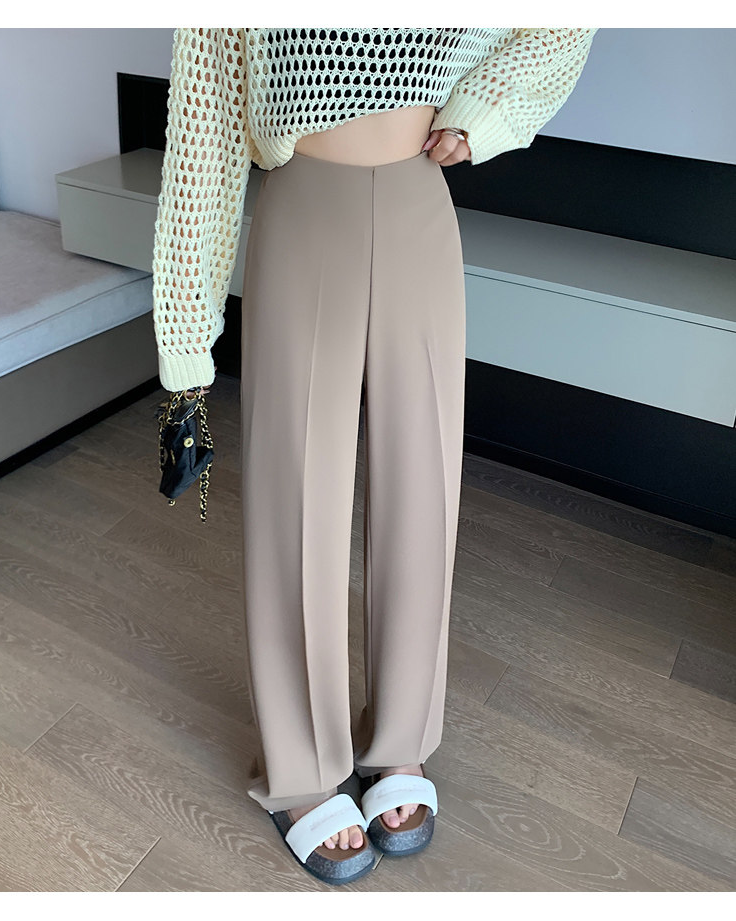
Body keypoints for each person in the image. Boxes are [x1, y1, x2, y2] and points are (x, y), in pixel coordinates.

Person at [152, 26, 597, 885]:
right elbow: (205, 124)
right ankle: (303, 766)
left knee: (424, 485)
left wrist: (486, 110)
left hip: (416, 196)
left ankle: (401, 738)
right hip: (302, 199)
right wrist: (185, 331)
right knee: (295, 494)